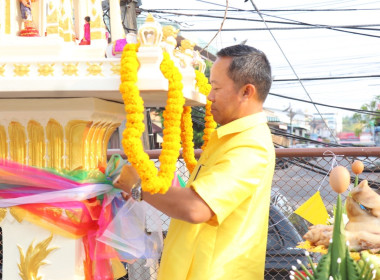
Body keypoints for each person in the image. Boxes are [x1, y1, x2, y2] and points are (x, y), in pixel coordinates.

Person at [114, 44, 275, 280]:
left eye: (217, 88)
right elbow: (195, 198)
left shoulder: (250, 146)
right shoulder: (230, 138)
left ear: (246, 92)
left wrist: (140, 186)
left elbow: (196, 207)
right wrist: (159, 188)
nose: (209, 96)